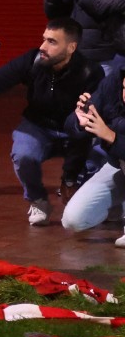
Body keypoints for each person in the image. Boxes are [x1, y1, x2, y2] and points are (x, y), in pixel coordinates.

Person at [0, 18, 102, 225]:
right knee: (23, 154)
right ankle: (38, 201)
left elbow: (84, 126)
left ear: (71, 47)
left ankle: (97, 203)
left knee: (100, 160)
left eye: (52, 42)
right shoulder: (33, 60)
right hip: (39, 127)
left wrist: (70, 177)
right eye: (44, 39)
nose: (43, 46)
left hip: (76, 131)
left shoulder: (90, 72)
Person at [62, 70, 125, 246]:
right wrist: (80, 122)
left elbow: (110, 134)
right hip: (118, 164)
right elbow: (72, 125)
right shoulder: (113, 82)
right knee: (74, 220)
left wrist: (111, 136)